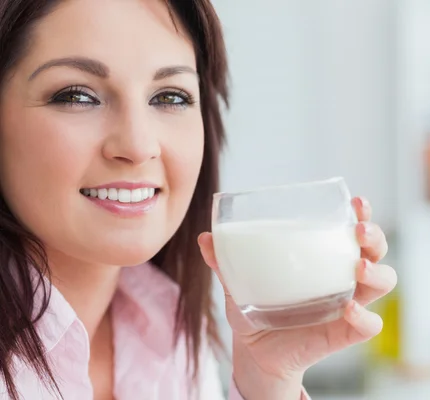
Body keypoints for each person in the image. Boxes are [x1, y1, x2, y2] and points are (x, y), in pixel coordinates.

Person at [0, 0, 397, 399]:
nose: (138, 146)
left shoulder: (169, 335)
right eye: (77, 96)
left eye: (170, 97)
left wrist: (269, 380)